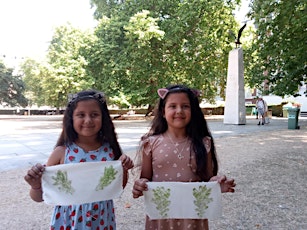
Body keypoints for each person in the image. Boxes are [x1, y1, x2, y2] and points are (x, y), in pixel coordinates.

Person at [24, 89, 134, 229]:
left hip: (101, 221)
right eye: (81, 115)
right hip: (68, 222)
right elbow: (40, 197)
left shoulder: (110, 152)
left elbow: (117, 188)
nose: (88, 120)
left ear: (103, 118)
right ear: (71, 119)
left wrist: (123, 169)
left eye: (94, 114)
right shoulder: (61, 153)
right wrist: (35, 185)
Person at [132, 84, 236, 230]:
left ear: (193, 111)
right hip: (161, 217)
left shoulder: (203, 143)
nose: (179, 111)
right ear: (163, 111)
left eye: (185, 106)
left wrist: (217, 184)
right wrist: (139, 185)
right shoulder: (150, 143)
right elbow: (145, 178)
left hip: (192, 217)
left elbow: (207, 178)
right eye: (173, 106)